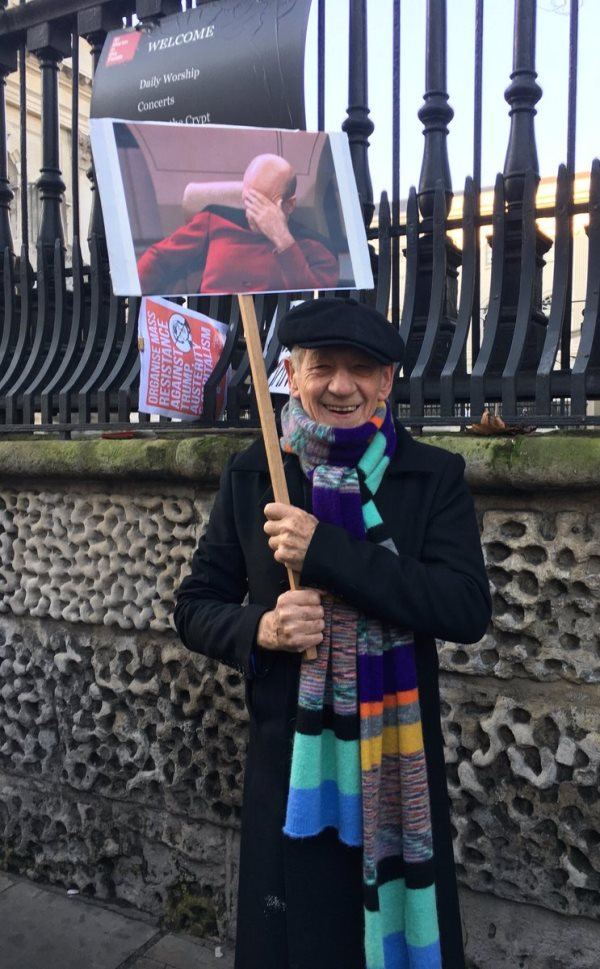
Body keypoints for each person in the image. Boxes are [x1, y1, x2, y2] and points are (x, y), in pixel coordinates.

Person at [173, 297, 492, 969]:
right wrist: (261, 628)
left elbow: (463, 608)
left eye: (361, 369)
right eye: (323, 367)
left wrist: (328, 552)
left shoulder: (432, 477)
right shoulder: (255, 472)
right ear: (291, 370)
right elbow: (195, 606)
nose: (340, 385)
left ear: (386, 383)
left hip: (393, 767)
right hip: (293, 768)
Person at [137, 154, 339, 295]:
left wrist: (282, 239)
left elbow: (314, 302)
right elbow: (159, 258)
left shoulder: (316, 247)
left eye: (264, 203)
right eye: (249, 200)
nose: (254, 213)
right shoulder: (215, 220)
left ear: (289, 204)